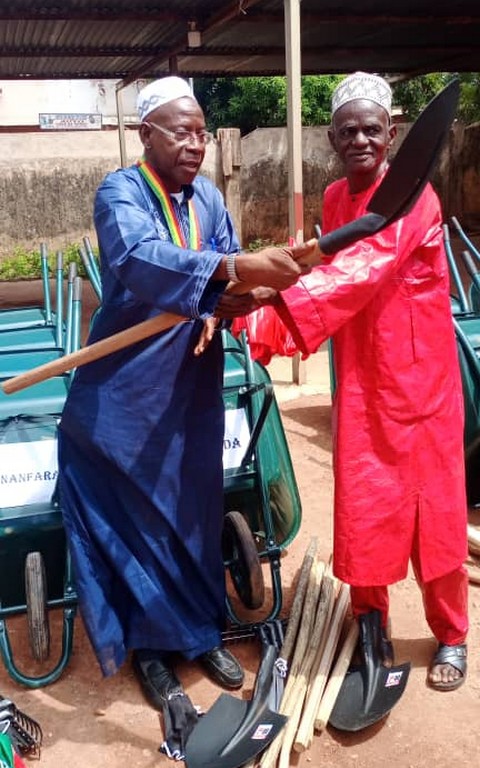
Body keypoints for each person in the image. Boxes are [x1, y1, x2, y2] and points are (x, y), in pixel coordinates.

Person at [57, 76, 313, 709]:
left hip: (192, 383)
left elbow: (228, 277)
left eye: (202, 133)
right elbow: (139, 258)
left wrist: (242, 295)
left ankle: (200, 633)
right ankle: (151, 650)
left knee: (193, 507)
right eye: (182, 132)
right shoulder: (121, 192)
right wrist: (232, 271)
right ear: (147, 134)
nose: (197, 144)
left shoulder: (209, 199)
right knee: (137, 520)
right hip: (126, 389)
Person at [250, 72, 469, 690]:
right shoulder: (334, 200)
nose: (361, 140)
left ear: (391, 133)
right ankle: (370, 626)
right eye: (348, 131)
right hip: (363, 382)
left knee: (435, 513)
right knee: (365, 507)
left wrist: (273, 310)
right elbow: (328, 263)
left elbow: (359, 272)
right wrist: (269, 278)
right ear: (332, 138)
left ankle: (451, 633)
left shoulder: (415, 197)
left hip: (421, 386)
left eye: (372, 129)